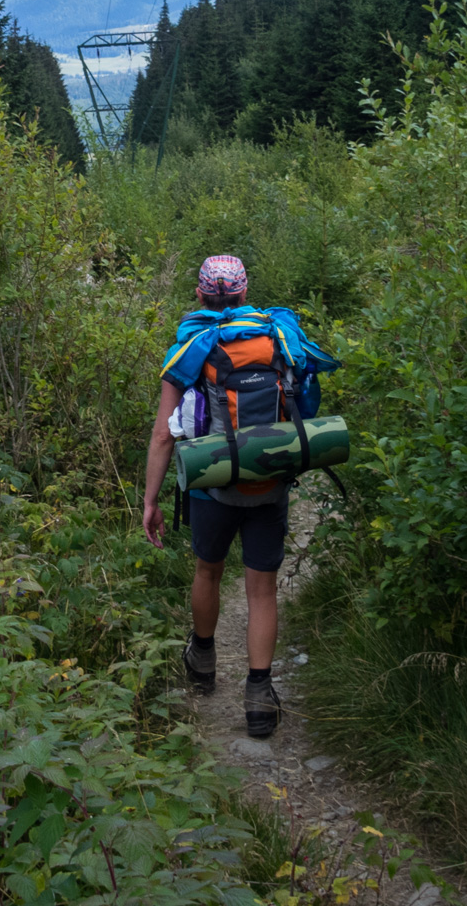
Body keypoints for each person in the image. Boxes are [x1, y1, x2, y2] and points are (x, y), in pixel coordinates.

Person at [141, 254, 333, 739]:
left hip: (212, 486)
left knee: (208, 570)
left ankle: (202, 659)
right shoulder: (277, 338)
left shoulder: (193, 345)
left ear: (201, 295)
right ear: (245, 293)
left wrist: (150, 500)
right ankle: (259, 696)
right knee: (262, 589)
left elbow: (165, 435)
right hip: (270, 482)